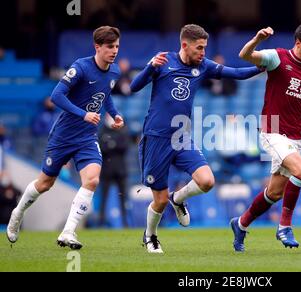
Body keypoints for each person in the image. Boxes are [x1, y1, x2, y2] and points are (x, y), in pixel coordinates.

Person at [130, 24, 263, 254]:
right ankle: (150, 235)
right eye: (199, 48)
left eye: (205, 48)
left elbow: (237, 73)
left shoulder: (203, 66)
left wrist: (264, 67)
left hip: (181, 137)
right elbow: (133, 87)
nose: (203, 52)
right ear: (185, 45)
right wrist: (149, 67)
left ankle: (179, 198)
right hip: (156, 139)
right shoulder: (163, 62)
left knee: (207, 181)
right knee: (159, 201)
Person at [6, 26, 124, 250]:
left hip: (87, 138)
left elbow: (106, 96)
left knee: (92, 179)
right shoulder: (81, 67)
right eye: (110, 46)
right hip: (63, 136)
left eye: (117, 46)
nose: (114, 51)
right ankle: (18, 212)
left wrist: (115, 114)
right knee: (45, 183)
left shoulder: (115, 72)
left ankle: (68, 231)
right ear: (97, 47)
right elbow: (56, 95)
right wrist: (83, 114)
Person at [230, 22, 301, 252]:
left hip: (295, 138)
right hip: (272, 130)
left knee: (274, 192)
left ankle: (240, 224)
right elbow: (244, 55)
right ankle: (284, 226)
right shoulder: (277, 57)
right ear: (298, 43)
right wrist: (258, 39)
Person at [98, 113, 130, 227]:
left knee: (123, 197)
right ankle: (100, 222)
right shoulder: (103, 129)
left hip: (120, 169)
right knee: (103, 197)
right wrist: (114, 144)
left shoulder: (122, 129)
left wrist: (111, 143)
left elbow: (124, 146)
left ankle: (126, 222)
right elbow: (101, 147)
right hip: (106, 169)